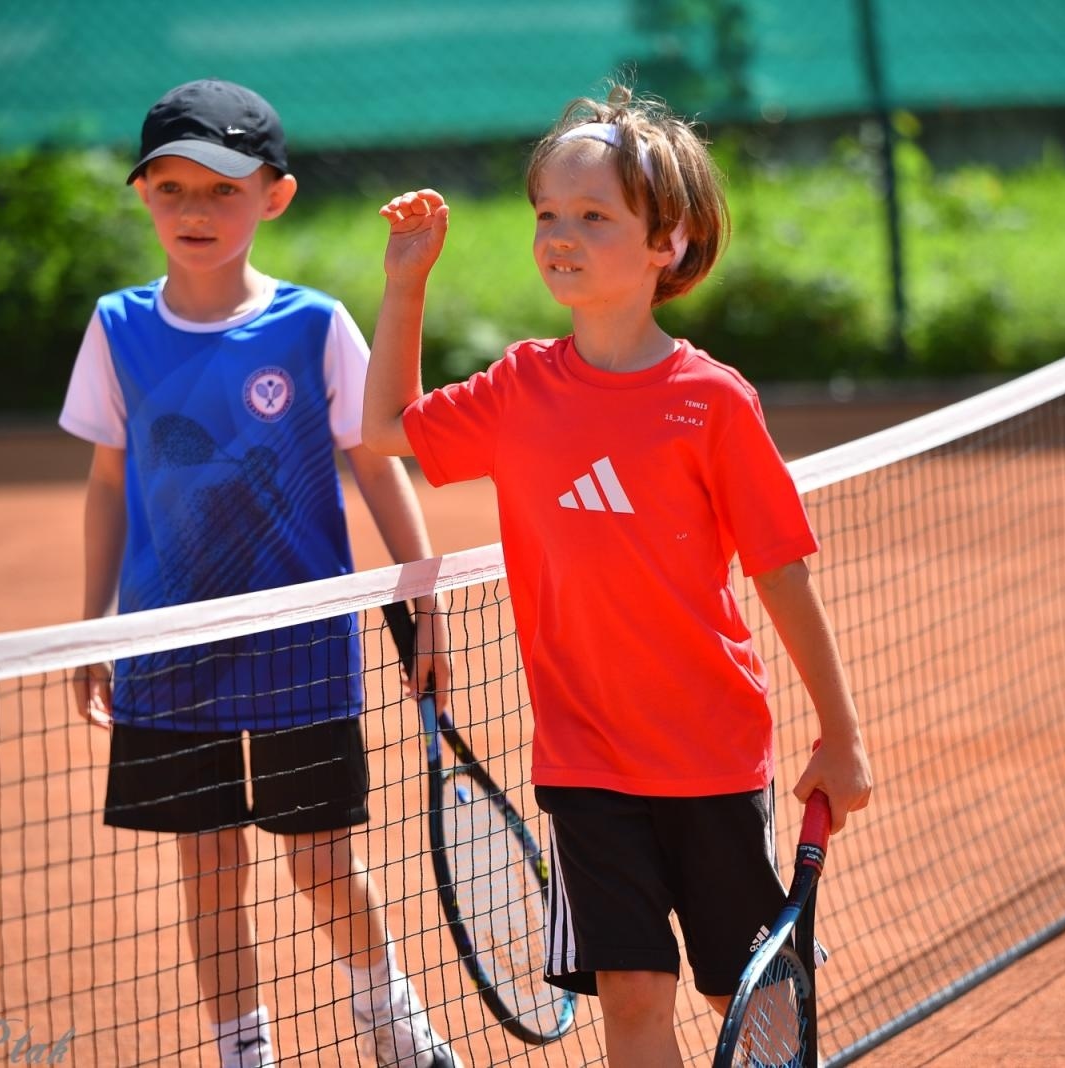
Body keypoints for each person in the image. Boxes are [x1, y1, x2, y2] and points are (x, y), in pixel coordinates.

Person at [362, 85, 875, 1066]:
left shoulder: (714, 404)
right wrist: (405, 284)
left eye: (592, 216)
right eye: (546, 214)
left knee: (746, 996)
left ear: (665, 243)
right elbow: (384, 431)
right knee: (633, 1000)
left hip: (712, 757)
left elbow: (780, 574)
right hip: (584, 766)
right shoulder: (518, 389)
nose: (560, 234)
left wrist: (840, 736)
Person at [61, 78, 463, 1068]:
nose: (196, 213)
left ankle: (395, 1030)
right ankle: (247, 1054)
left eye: (223, 190)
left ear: (272, 198)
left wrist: (424, 593)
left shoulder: (313, 325)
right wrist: (91, 627)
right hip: (167, 652)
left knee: (324, 865)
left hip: (301, 653)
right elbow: (108, 483)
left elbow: (377, 456)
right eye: (172, 189)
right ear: (144, 194)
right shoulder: (117, 328)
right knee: (208, 870)